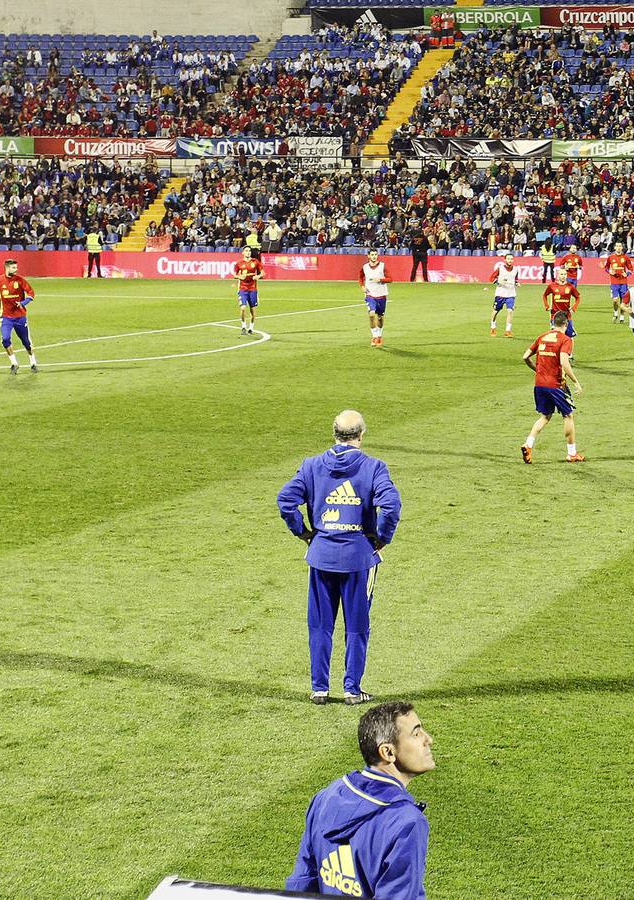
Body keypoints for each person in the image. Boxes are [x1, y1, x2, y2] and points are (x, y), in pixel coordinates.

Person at [276, 410, 402, 704]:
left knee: (320, 624)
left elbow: (285, 501)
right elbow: (391, 506)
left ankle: (319, 688)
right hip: (358, 558)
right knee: (357, 625)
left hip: (321, 556)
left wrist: (304, 533)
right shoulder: (373, 467)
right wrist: (382, 538)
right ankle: (352, 689)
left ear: (334, 433)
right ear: (362, 434)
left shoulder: (311, 466)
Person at [286, 701, 434, 900]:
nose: (428, 739)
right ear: (388, 752)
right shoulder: (406, 822)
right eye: (416, 734)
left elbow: (301, 883)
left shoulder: (325, 796)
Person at [521, 310, 583, 463]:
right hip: (556, 385)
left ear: (553, 323)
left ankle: (528, 445)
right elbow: (564, 362)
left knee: (545, 416)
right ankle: (572, 453)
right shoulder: (565, 339)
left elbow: (525, 357)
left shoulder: (542, 337)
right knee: (568, 415)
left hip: (539, 384)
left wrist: (537, 370)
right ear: (566, 324)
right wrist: (575, 381)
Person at [0, 258, 37, 374]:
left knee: (26, 342)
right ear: (7, 268)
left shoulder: (20, 280)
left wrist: (23, 303)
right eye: (13, 267)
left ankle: (33, 362)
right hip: (5, 317)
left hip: (20, 316)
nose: (16, 269)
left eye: (16, 267)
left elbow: (31, 293)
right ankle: (14, 363)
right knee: (5, 339)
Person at [227, 247, 265, 335]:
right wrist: (240, 277)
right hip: (243, 289)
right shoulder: (239, 263)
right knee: (243, 308)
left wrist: (258, 276)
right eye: (246, 251)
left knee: (253, 310)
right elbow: (234, 275)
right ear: (243, 253)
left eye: (249, 251)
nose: (248, 252)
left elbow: (263, 273)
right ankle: (243, 326)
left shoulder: (255, 262)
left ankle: (251, 327)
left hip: (253, 289)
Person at [361, 249, 390, 348]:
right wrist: (363, 287)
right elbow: (360, 277)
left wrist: (381, 280)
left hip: (381, 295)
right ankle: (374, 336)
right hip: (370, 295)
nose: (374, 256)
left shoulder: (382, 266)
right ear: (368, 256)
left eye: (375, 254)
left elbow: (390, 279)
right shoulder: (365, 267)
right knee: (372, 314)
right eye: (372, 255)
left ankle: (380, 335)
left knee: (380, 317)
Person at [489, 251, 519, 337]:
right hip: (500, 294)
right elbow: (491, 278)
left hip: (511, 294)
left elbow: (515, 279)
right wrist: (498, 282)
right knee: (495, 311)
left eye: (511, 259)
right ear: (505, 260)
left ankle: (508, 330)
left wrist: (517, 283)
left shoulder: (516, 269)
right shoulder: (500, 268)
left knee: (510, 311)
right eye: (508, 259)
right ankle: (493, 327)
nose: (510, 260)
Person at [543, 270, 580, 338]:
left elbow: (578, 297)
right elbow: (544, 295)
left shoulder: (570, 286)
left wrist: (573, 308)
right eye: (561, 274)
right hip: (555, 314)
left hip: (567, 315)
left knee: (569, 337)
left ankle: (569, 348)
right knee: (556, 337)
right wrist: (547, 306)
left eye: (565, 274)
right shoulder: (552, 286)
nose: (563, 276)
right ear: (558, 275)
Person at [603, 243, 633, 324]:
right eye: (617, 246)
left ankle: (622, 317)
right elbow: (606, 268)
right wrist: (609, 271)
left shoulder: (625, 257)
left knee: (623, 300)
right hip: (614, 282)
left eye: (620, 246)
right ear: (615, 247)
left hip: (623, 282)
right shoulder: (611, 257)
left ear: (622, 247)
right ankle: (615, 312)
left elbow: (631, 269)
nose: (618, 248)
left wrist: (627, 274)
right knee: (615, 300)